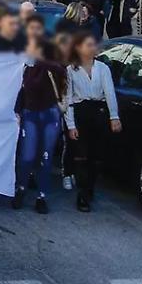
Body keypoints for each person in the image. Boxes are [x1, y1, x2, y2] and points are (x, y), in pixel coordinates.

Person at [64, 32, 120, 212]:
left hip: (98, 112)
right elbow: (69, 99)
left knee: (96, 156)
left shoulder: (103, 68)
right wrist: (71, 125)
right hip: (81, 112)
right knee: (81, 155)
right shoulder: (70, 70)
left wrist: (114, 116)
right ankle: (82, 194)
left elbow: (109, 92)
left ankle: (90, 188)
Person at [13, 39, 66, 213]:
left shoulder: (52, 66)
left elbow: (63, 74)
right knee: (27, 156)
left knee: (46, 157)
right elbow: (20, 90)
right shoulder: (25, 68)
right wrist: (18, 111)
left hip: (49, 115)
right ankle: (21, 188)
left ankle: (41, 196)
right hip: (30, 114)